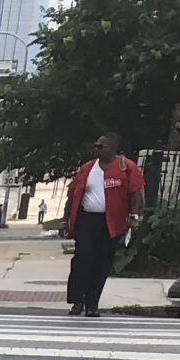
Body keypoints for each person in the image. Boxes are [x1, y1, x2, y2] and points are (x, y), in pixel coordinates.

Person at [64, 132, 144, 317]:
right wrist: (65, 219)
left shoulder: (126, 167)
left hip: (110, 223)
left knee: (102, 263)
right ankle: (77, 301)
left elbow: (136, 193)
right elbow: (73, 194)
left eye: (101, 146)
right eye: (95, 146)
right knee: (82, 258)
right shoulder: (87, 168)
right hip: (86, 220)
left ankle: (92, 303)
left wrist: (134, 216)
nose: (96, 149)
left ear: (112, 148)